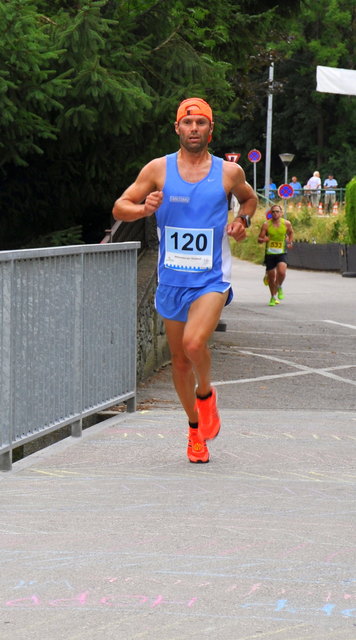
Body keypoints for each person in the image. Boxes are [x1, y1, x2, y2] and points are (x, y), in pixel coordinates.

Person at [112, 97, 258, 463]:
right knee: (179, 362)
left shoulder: (228, 172)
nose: (194, 129)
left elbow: (249, 200)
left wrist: (243, 222)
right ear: (177, 128)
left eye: (201, 123)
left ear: (211, 129)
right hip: (172, 280)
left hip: (211, 279)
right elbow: (119, 207)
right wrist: (143, 208)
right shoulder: (158, 170)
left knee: (195, 345)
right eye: (188, 122)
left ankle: (206, 395)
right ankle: (195, 431)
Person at [258, 204, 294, 306]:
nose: (275, 213)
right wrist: (264, 239)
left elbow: (291, 233)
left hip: (281, 252)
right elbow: (260, 238)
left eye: (277, 211)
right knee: (271, 276)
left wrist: (290, 242)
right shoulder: (266, 224)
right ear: (270, 213)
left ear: (281, 213)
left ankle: (279, 286)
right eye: (273, 212)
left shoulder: (286, 223)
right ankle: (273, 297)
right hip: (270, 253)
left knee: (282, 272)